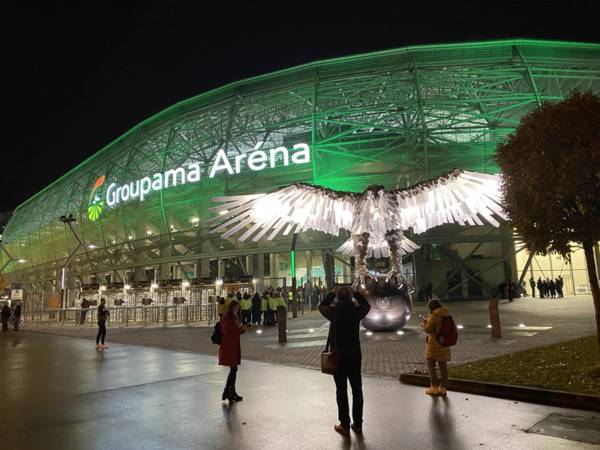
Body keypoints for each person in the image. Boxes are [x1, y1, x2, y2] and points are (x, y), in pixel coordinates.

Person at [319, 286, 370, 436]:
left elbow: (321, 306)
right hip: (354, 355)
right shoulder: (355, 312)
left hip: (339, 356)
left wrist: (331, 294)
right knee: (357, 390)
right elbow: (366, 306)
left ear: (338, 298)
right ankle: (358, 424)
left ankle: (345, 425)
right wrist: (355, 293)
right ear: (350, 298)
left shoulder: (334, 313)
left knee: (341, 391)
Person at [420, 299, 451, 396]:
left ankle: (434, 387)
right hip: (444, 344)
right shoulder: (446, 314)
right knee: (443, 367)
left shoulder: (434, 316)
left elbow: (428, 329)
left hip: (434, 345)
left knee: (431, 366)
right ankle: (444, 388)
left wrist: (424, 322)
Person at [218, 299, 246, 402]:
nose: (237, 310)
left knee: (234, 369)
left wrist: (242, 329)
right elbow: (228, 331)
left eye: (238, 308)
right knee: (233, 369)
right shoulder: (227, 317)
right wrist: (241, 329)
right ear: (231, 307)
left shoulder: (235, 317)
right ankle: (228, 392)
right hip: (228, 345)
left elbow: (236, 330)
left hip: (234, 344)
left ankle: (230, 392)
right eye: (235, 308)